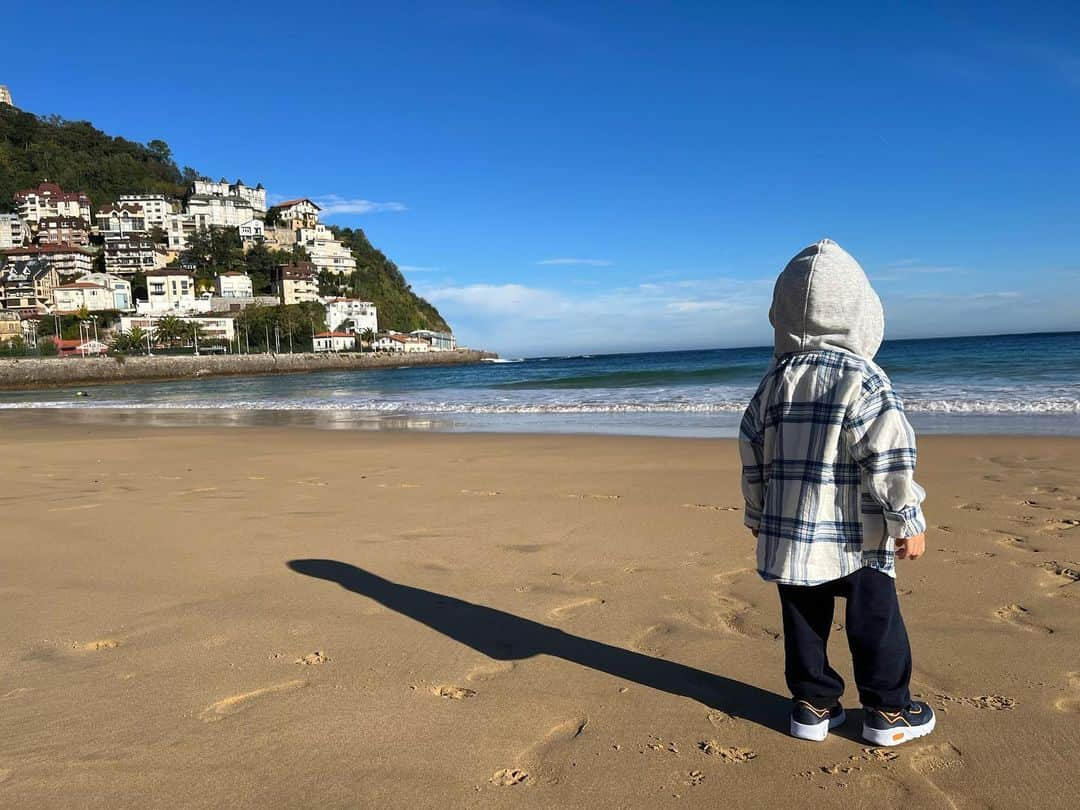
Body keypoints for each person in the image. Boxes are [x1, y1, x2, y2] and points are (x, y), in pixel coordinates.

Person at [738, 238, 934, 746]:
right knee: (876, 622)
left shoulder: (774, 380)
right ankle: (888, 712)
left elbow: (753, 448)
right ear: (861, 313)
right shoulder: (862, 376)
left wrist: (758, 512)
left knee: (803, 620)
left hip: (793, 534)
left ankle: (812, 706)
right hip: (859, 538)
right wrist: (906, 519)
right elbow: (888, 454)